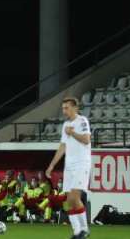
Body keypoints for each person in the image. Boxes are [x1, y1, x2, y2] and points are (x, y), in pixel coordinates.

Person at [46, 97, 91, 239]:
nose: (64, 111)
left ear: (75, 108)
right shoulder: (65, 124)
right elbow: (63, 147)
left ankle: (84, 229)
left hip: (81, 164)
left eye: (67, 108)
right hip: (69, 166)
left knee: (74, 197)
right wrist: (52, 165)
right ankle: (77, 232)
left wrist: (72, 133)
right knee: (68, 201)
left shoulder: (82, 121)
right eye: (63, 108)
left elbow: (86, 140)